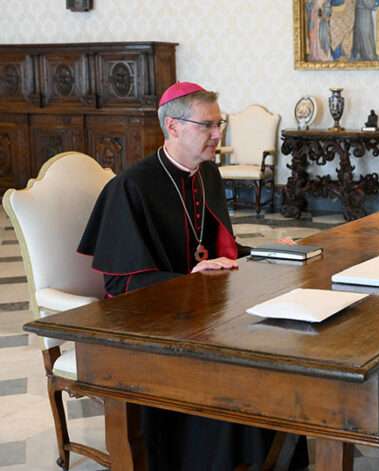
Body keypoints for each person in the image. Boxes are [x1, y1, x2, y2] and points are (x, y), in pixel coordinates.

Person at [78, 82, 307, 470]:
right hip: (153, 323)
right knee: (235, 366)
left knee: (277, 344)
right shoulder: (132, 186)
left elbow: (219, 250)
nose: (218, 135)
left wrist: (272, 250)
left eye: (220, 124)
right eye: (208, 126)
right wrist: (186, 278)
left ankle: (273, 459)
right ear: (174, 127)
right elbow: (121, 284)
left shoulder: (207, 175)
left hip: (205, 311)